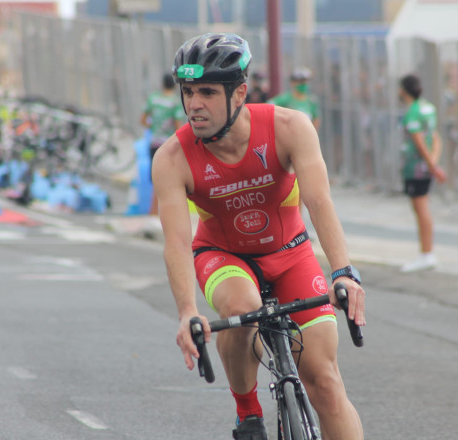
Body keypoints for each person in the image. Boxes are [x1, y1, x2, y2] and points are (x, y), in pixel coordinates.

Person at [152, 33, 365, 440]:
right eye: (189, 92)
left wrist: (343, 272)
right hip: (222, 255)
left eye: (208, 92)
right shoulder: (172, 158)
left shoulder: (289, 127)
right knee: (242, 306)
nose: (194, 104)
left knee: (326, 383)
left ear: (239, 93)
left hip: (291, 252)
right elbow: (177, 242)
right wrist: (187, 311)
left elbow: (319, 202)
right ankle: (248, 411)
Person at [398, 74, 447, 273]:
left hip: (416, 167)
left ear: (404, 90)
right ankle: (427, 253)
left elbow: (419, 142)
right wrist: (434, 162)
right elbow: (435, 137)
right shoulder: (428, 108)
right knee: (422, 207)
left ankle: (426, 253)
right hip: (427, 165)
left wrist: (431, 166)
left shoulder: (412, 112)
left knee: (420, 208)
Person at [140, 72, 185, 215]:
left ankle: (152, 212)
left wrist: (154, 128)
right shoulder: (175, 102)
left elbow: (142, 120)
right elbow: (178, 126)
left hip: (154, 143)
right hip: (168, 145)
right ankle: (161, 213)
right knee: (170, 180)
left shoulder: (153, 98)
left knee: (156, 179)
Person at [268, 67, 320, 131]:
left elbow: (316, 119)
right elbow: (269, 105)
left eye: (305, 81)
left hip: (306, 135)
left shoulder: (312, 101)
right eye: (300, 81)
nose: (304, 84)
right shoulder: (285, 99)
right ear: (292, 83)